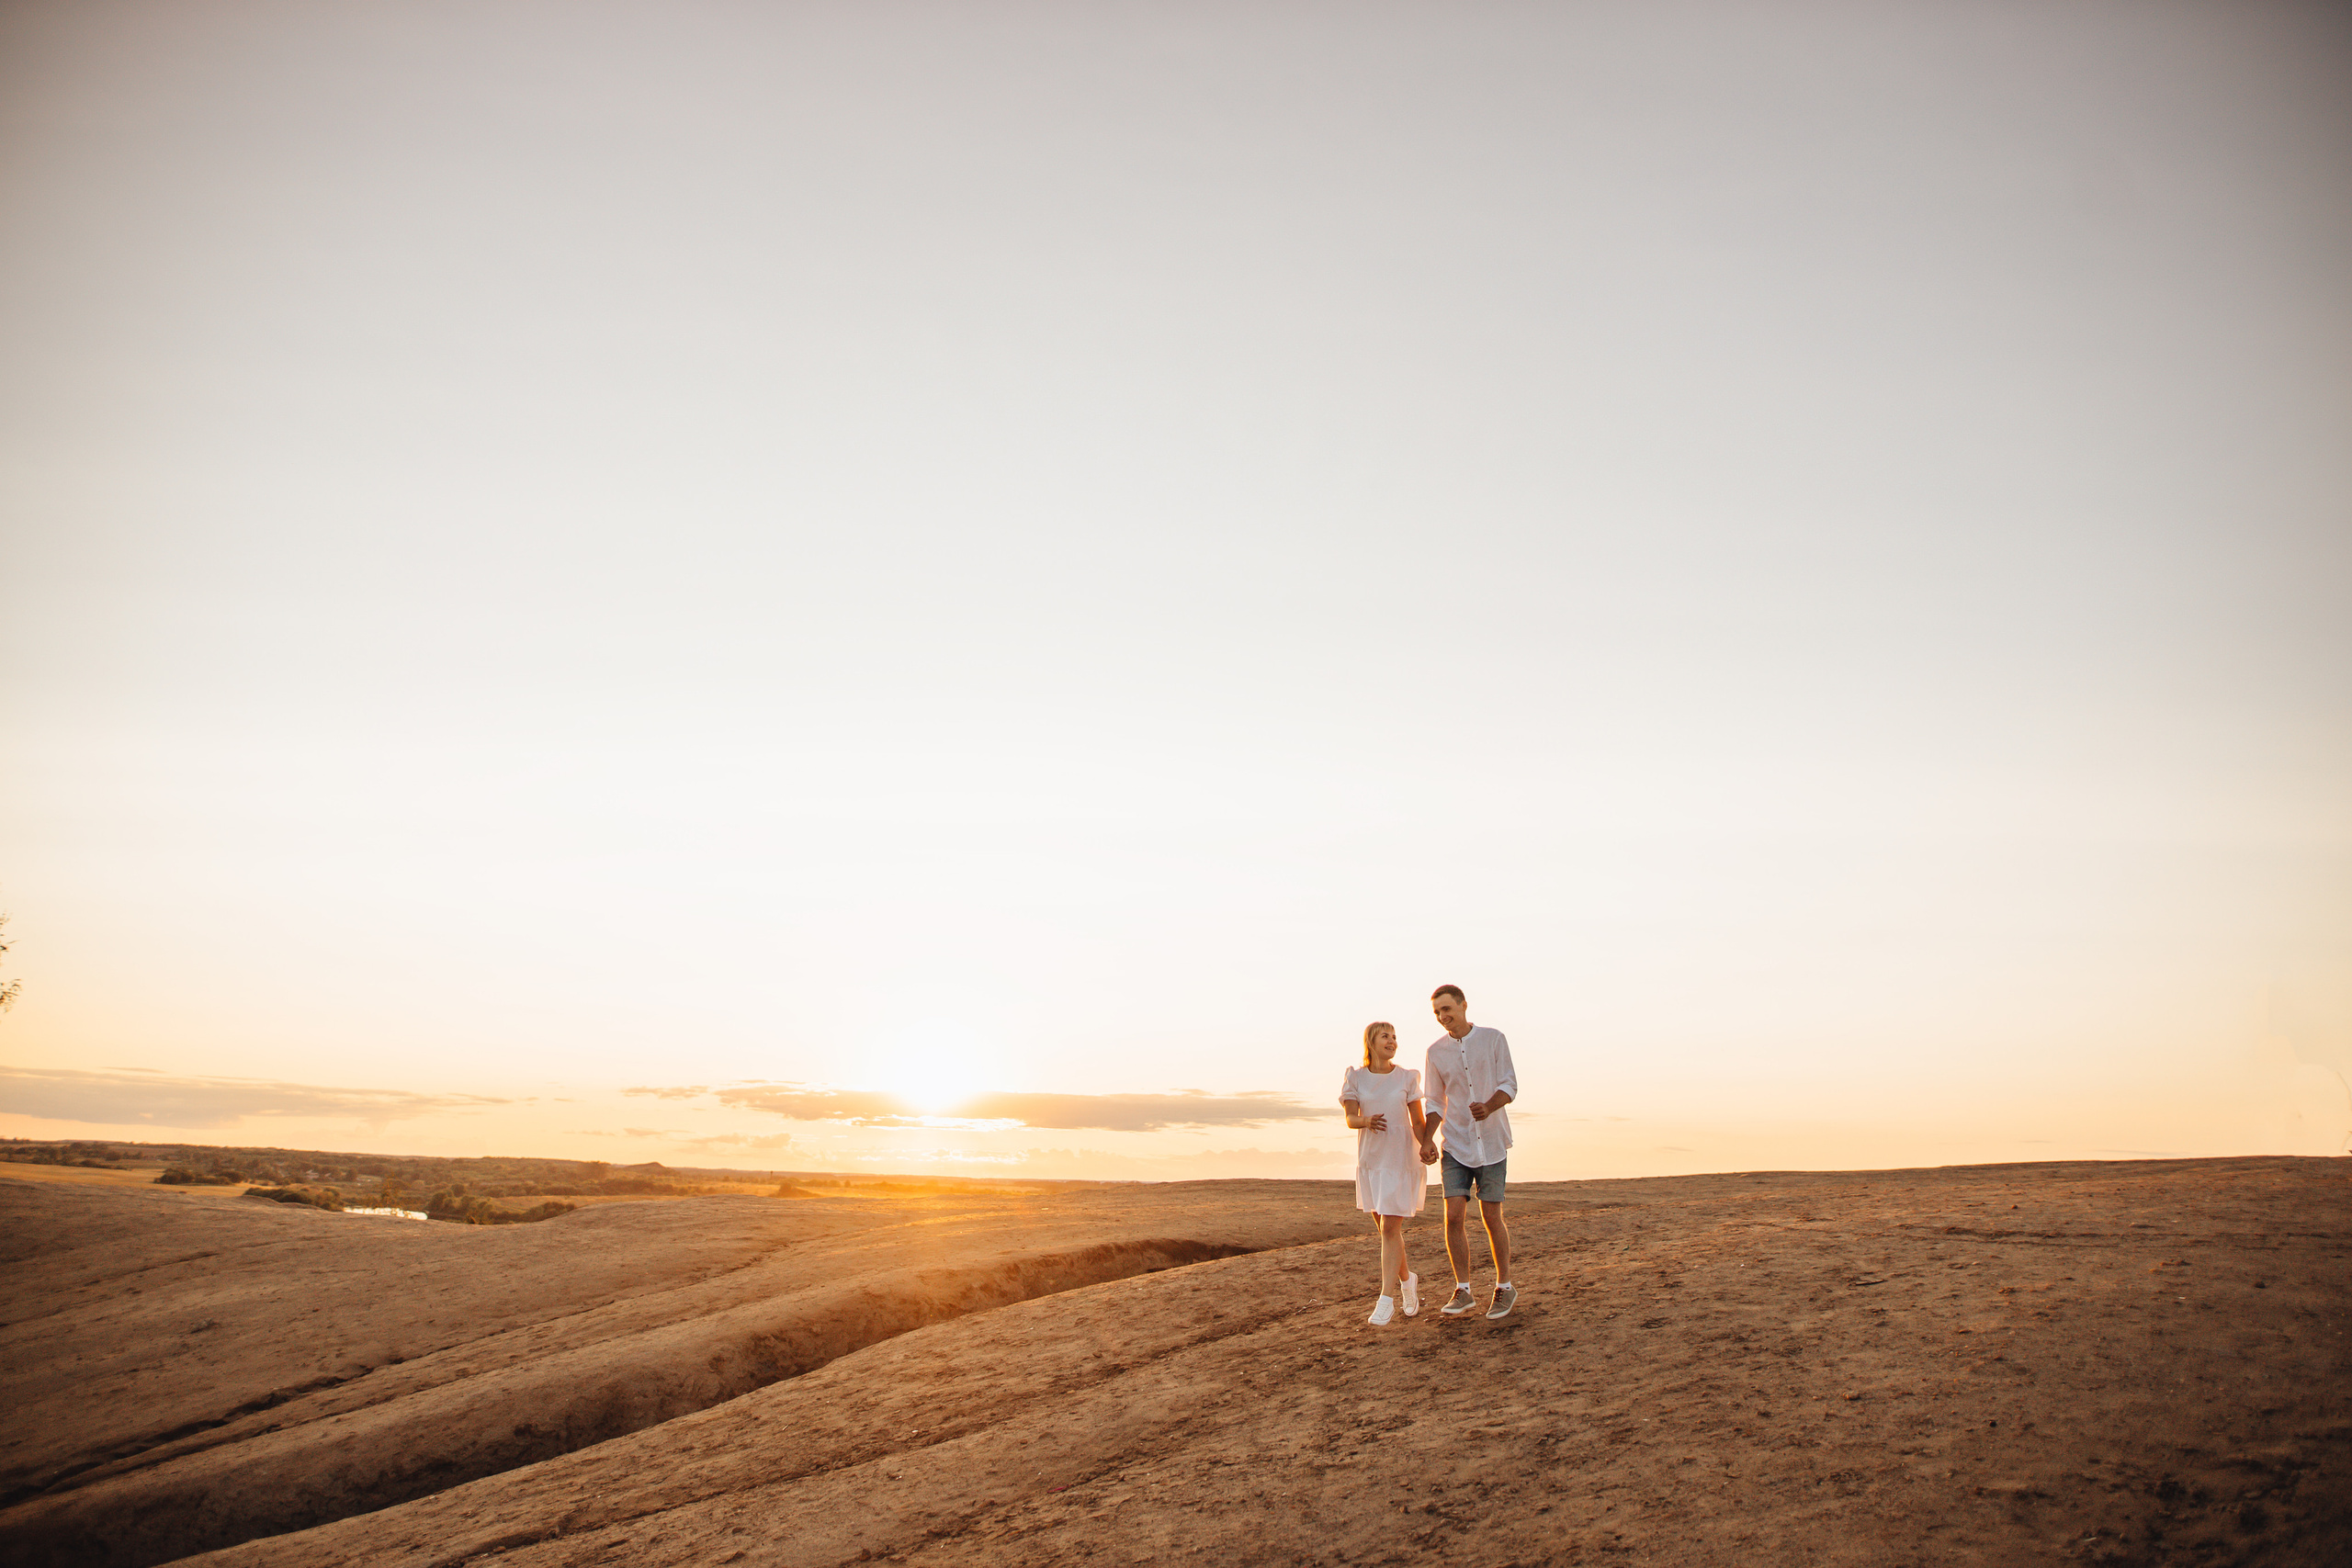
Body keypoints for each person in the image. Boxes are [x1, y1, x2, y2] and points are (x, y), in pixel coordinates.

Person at [1417, 984, 1519, 1319]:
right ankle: (1463, 1290)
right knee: (1453, 1216)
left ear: (1463, 1005)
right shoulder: (1435, 1052)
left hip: (1491, 1144)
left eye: (1447, 1009)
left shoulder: (1493, 1039)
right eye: (1436, 1013)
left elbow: (1509, 1085)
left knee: (1492, 1217)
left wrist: (1489, 1107)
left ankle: (1504, 1287)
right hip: (1456, 1143)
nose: (1442, 1017)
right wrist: (1427, 1139)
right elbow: (1434, 1100)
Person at [1340, 1021, 1430, 1325]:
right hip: (1372, 1161)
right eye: (1385, 1036)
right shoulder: (1356, 1077)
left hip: (1401, 1159)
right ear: (1371, 1042)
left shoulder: (1407, 1077)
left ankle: (1385, 1300)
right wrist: (1366, 1122)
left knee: (1390, 1230)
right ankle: (1408, 1282)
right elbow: (1351, 1118)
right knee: (1386, 1231)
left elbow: (1418, 1121)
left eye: (1394, 1037)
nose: (1392, 1041)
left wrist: (1427, 1143)